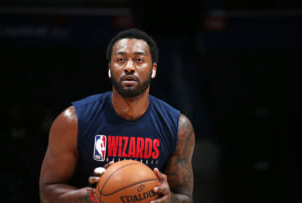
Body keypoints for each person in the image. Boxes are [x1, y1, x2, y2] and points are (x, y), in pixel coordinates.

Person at [39, 28, 195, 203]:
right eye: (120, 60)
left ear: (153, 69)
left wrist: (170, 198)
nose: (129, 67)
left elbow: (186, 198)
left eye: (139, 60)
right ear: (109, 69)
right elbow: (47, 192)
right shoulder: (73, 121)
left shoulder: (178, 127)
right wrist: (93, 196)